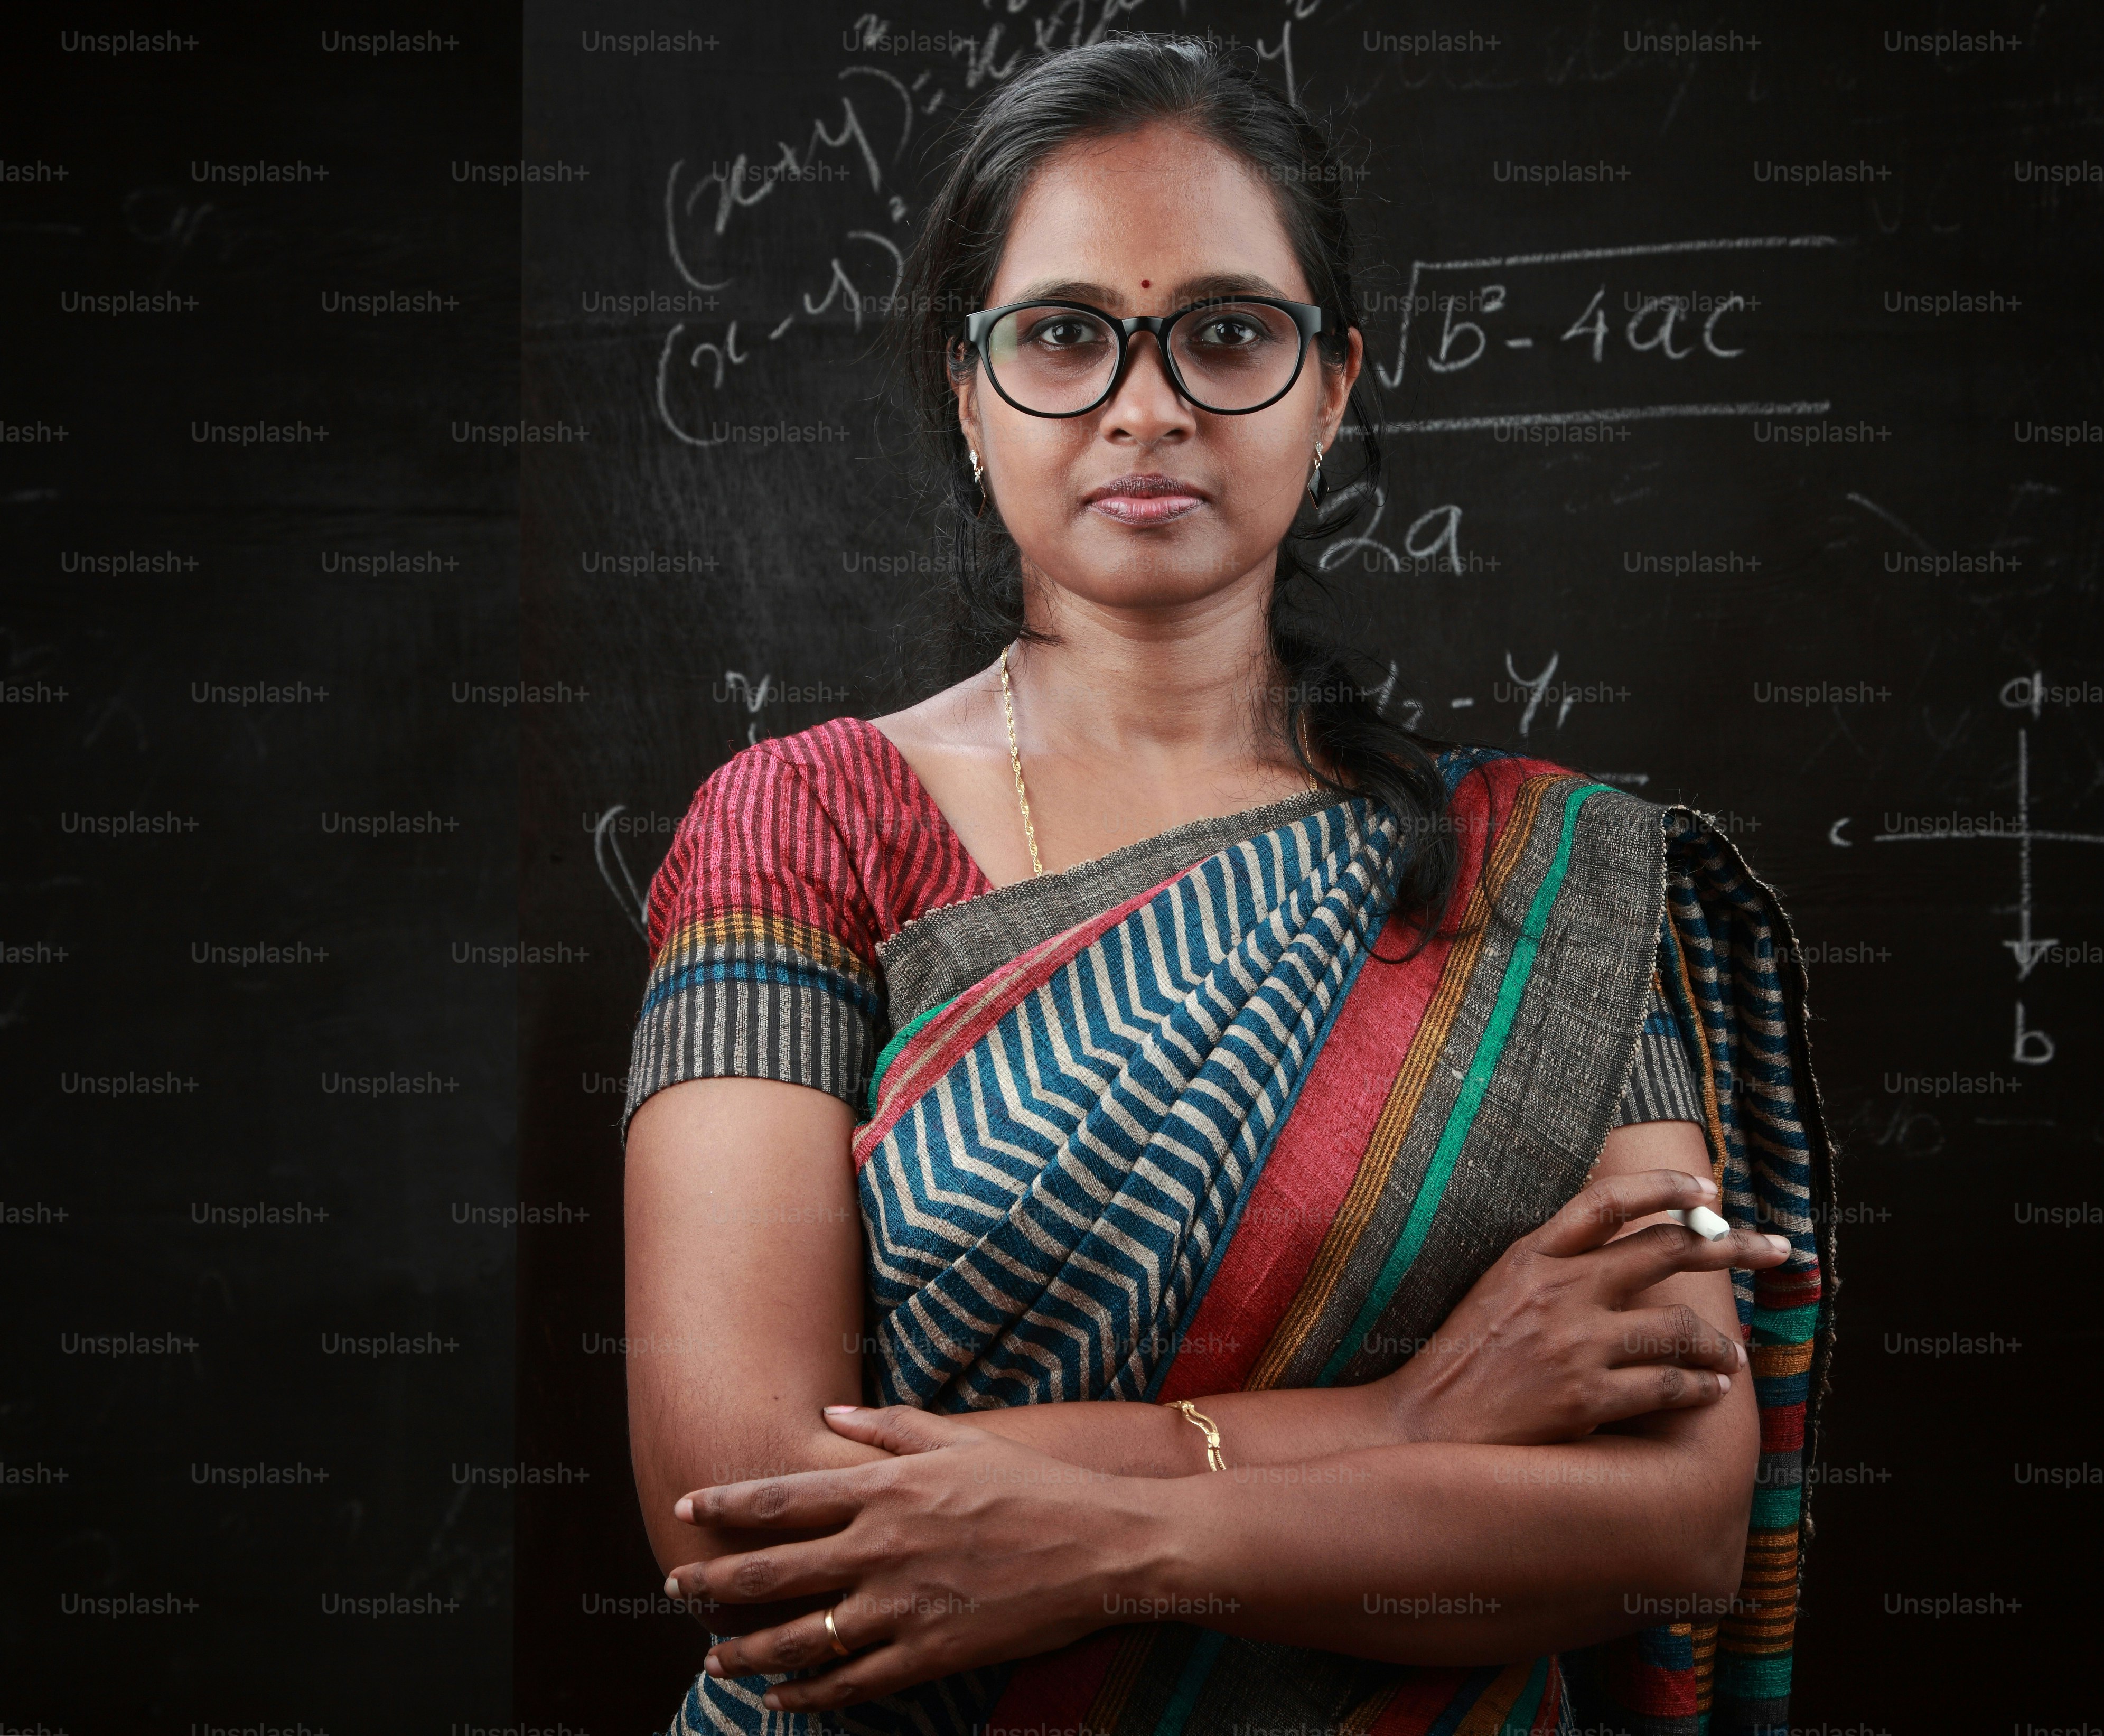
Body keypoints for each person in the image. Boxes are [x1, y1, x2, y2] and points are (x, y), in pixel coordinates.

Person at [620, 34, 1837, 1736]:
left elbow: (1668, 1523)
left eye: (1226, 332)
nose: (1147, 404)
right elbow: (742, 1508)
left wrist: (1117, 1541)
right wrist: (1406, 1431)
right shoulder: (804, 829)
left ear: (1331, 383)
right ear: (966, 390)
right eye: (1061, 335)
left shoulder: (1537, 879)